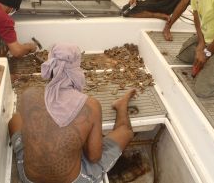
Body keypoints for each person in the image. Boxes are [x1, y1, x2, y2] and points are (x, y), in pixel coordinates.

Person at [8, 43, 135, 183]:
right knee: (126, 131)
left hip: (29, 179)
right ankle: (121, 105)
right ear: (77, 71)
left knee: (15, 119)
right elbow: (94, 157)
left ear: (50, 66)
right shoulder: (91, 106)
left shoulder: (28, 95)